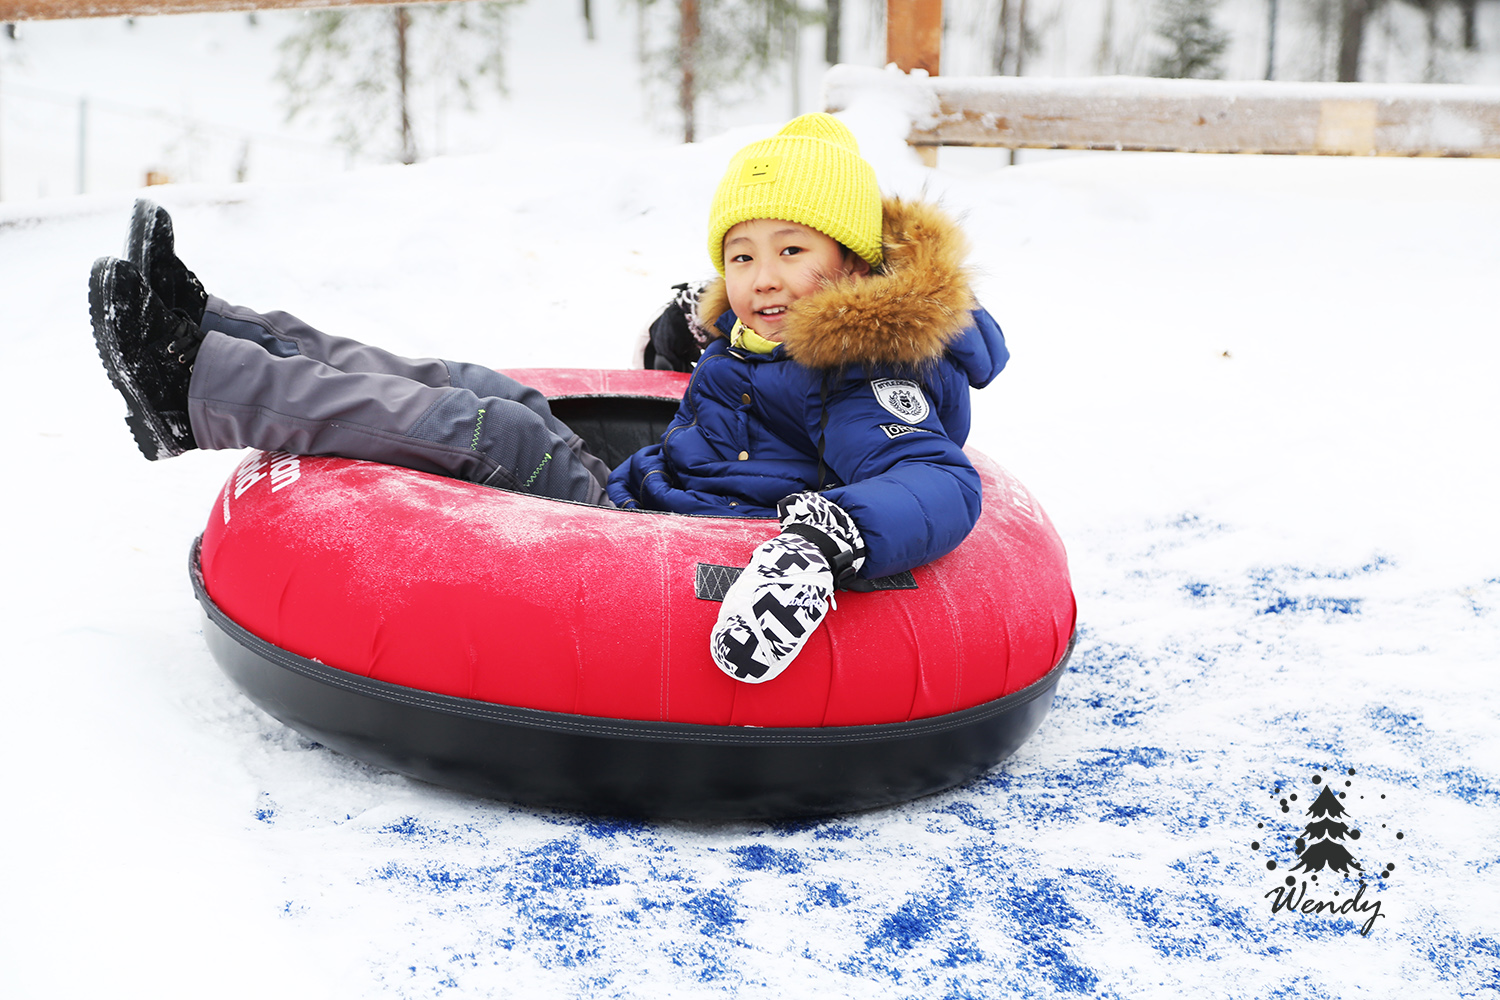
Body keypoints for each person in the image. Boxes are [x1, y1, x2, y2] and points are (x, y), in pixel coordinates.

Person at [89, 113, 1007, 685]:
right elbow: (735, 401)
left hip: (646, 538)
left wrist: (824, 542)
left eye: (792, 251)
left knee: (481, 429)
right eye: (742, 253)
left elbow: (933, 477)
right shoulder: (767, 332)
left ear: (850, 261)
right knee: (479, 386)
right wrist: (686, 333)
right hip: (643, 495)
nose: (763, 278)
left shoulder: (864, 372)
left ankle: (190, 390)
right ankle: (212, 326)